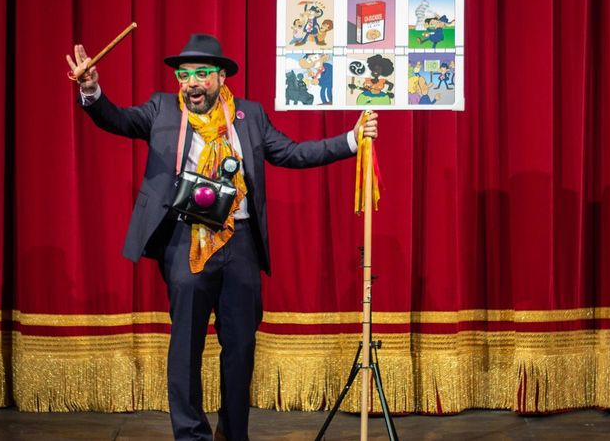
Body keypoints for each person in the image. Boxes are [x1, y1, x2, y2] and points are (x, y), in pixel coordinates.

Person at [65, 33, 378, 441]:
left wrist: (351, 140)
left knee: (241, 347)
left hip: (240, 241)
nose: (192, 84)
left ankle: (232, 433)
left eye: (201, 75)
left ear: (220, 77)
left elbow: (290, 152)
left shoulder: (248, 115)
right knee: (186, 346)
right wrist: (91, 90)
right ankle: (191, 435)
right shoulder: (162, 110)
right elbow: (117, 119)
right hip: (184, 240)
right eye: (184, 76)